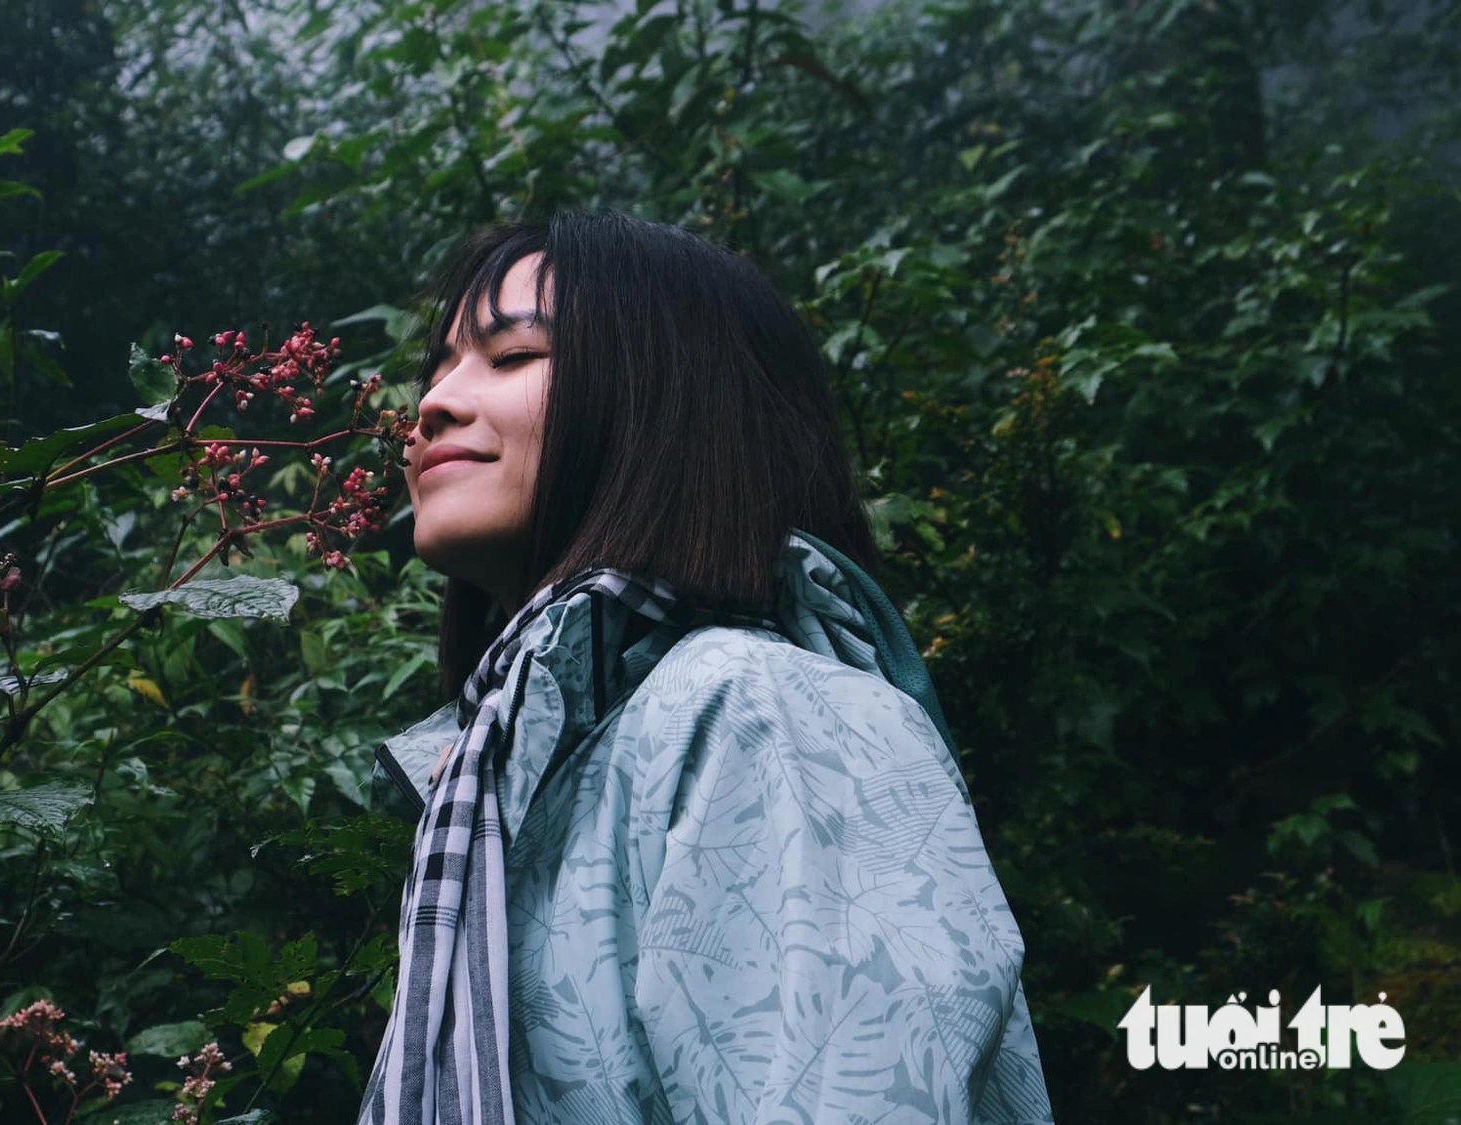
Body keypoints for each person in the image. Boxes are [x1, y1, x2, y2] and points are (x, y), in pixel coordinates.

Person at [357, 210, 1054, 1125]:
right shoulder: (510, 773)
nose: (434, 402)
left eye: (512, 356)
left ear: (662, 403)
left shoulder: (762, 712)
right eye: (440, 365)